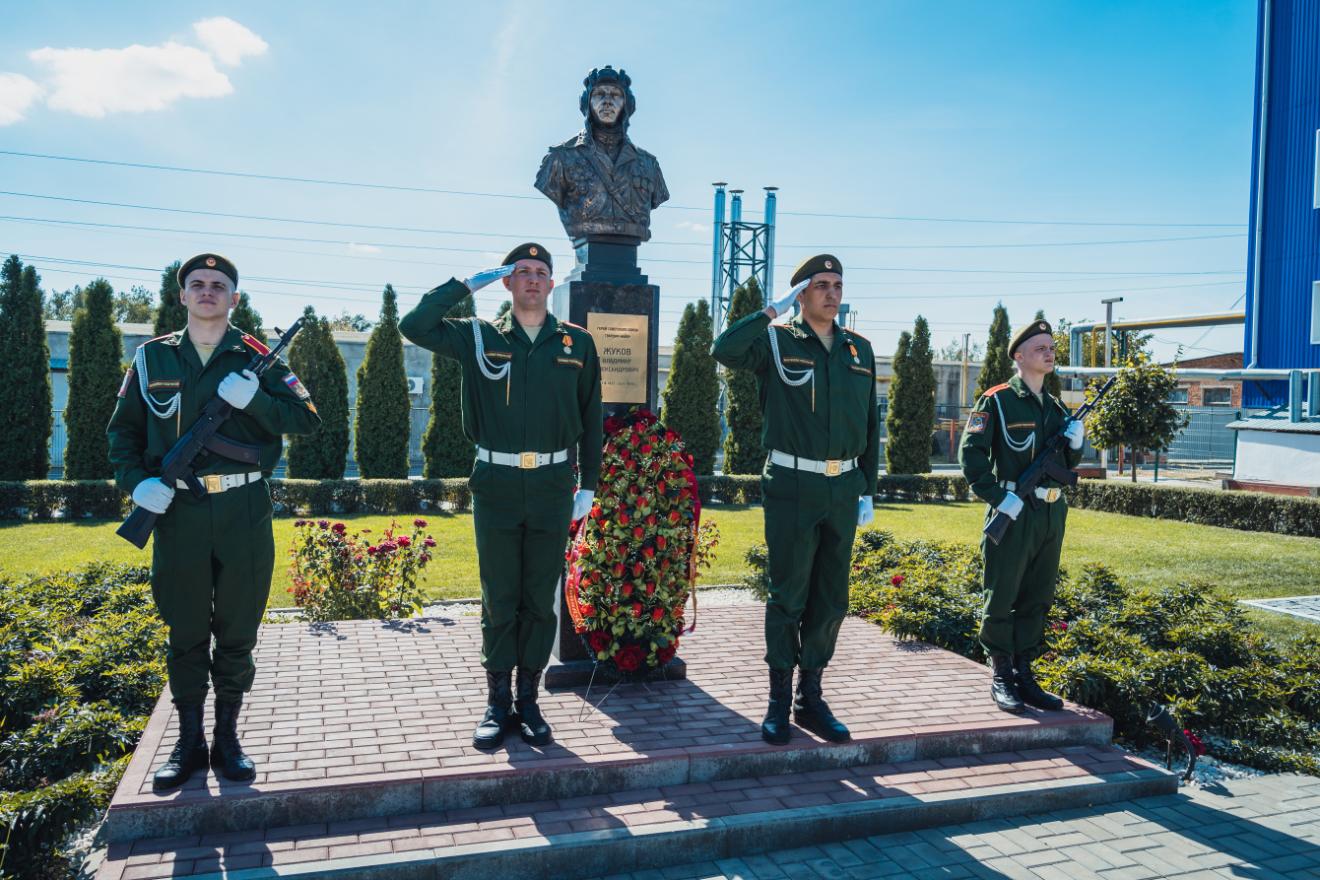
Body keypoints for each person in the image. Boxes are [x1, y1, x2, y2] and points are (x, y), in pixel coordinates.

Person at [107, 253, 320, 790]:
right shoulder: (151, 359)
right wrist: (138, 484)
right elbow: (122, 436)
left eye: (218, 285)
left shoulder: (256, 357)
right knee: (184, 629)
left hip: (244, 512)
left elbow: (308, 419)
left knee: (237, 628)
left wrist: (256, 404)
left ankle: (227, 737)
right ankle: (188, 741)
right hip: (177, 511)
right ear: (182, 296)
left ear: (234, 298)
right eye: (197, 284)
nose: (207, 292)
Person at [399, 243, 602, 749]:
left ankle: (528, 701)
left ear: (551, 285)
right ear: (508, 283)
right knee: (499, 597)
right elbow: (415, 325)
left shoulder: (577, 344)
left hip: (554, 485)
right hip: (498, 484)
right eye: (522, 272)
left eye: (541, 273)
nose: (532, 279)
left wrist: (590, 486)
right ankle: (496, 702)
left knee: (538, 598)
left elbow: (592, 419)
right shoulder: (477, 335)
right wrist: (466, 285)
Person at [711, 254, 879, 745]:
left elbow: (870, 426)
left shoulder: (859, 351)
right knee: (788, 596)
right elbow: (724, 349)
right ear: (800, 295)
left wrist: (867, 487)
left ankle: (811, 697)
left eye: (837, 285)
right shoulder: (776, 342)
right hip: (791, 484)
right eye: (820, 285)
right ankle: (778, 701)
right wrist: (771, 310)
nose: (831, 293)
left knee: (831, 599)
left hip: (842, 489)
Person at [958, 319, 1085, 714]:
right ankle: (1001, 674)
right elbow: (971, 456)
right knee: (1002, 594)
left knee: (1038, 596)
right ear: (1019, 356)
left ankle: (1026, 675)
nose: (1049, 354)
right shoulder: (996, 401)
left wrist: (1076, 444)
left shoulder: (1057, 408)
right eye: (1040, 348)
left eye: (1051, 348)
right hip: (1014, 512)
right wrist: (998, 498)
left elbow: (1065, 464)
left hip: (1050, 513)